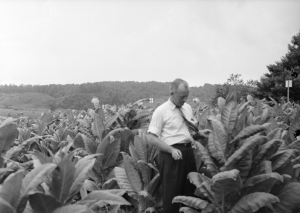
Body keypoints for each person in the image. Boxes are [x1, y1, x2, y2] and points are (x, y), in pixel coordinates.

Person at [147, 78, 211, 213]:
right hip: (171, 156)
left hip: (188, 154)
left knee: (190, 193)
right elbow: (151, 138)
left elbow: (186, 134)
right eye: (182, 96)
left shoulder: (187, 108)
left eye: (187, 96)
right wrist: (171, 150)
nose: (185, 99)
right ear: (172, 92)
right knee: (172, 194)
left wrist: (199, 134)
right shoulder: (161, 111)